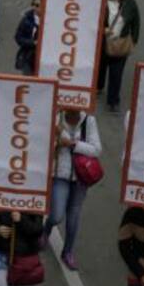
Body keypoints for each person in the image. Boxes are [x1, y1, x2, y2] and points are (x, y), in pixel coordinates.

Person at [44, 109, 101, 270]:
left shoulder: (89, 121)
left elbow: (96, 150)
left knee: (74, 217)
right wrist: (57, 143)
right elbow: (44, 144)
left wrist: (73, 144)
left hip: (81, 177)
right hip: (59, 175)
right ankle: (46, 230)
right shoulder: (55, 117)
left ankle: (68, 251)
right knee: (56, 215)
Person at [98, 0, 140, 112]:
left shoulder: (130, 3)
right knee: (100, 68)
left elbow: (136, 22)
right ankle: (98, 86)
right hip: (102, 43)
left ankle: (113, 101)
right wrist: (102, 30)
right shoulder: (101, 1)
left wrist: (133, 40)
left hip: (120, 45)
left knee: (116, 74)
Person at [14, 0, 42, 74]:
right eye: (33, 4)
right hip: (28, 57)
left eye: (37, 5)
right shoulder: (26, 20)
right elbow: (18, 37)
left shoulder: (50, 20)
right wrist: (33, 43)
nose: (34, 7)